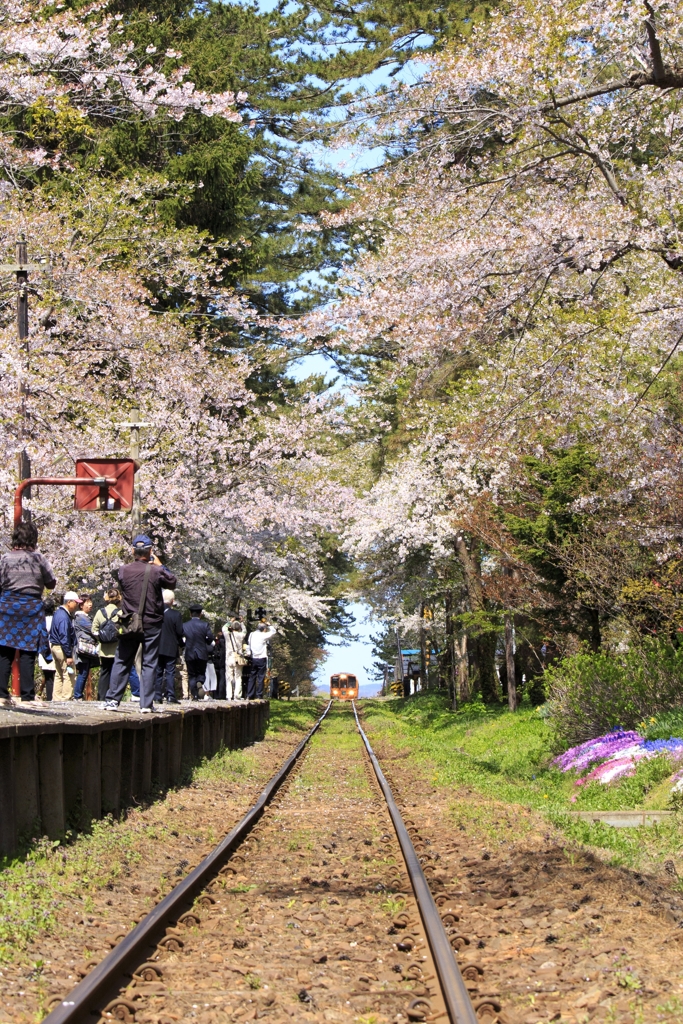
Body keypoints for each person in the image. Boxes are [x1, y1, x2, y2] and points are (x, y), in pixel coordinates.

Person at [104, 534, 177, 713]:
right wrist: (160, 565)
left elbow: (124, 584)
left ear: (132, 551)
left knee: (122, 659)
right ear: (151, 551)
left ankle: (112, 699)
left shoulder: (123, 570)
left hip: (130, 622)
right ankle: (146, 704)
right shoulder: (157, 571)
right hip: (152, 622)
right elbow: (172, 582)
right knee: (149, 662)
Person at [0, 521, 56, 705]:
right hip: (30, 608)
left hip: (7, 607)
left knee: (5, 650)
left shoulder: (5, 558)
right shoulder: (39, 559)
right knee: (27, 651)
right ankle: (27, 696)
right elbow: (51, 583)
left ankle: (1, 695)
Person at [49, 591, 82, 701]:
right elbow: (64, 636)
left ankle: (57, 698)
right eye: (75, 602)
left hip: (55, 646)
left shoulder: (58, 613)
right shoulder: (64, 616)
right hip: (62, 648)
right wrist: (68, 655)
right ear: (69, 602)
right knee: (69, 673)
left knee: (59, 674)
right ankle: (65, 699)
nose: (77, 605)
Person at [92, 588, 122, 701]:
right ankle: (113, 696)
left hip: (104, 649)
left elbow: (93, 629)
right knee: (116, 673)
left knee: (104, 672)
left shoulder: (100, 612)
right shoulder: (120, 613)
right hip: (117, 648)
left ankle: (101, 697)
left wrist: (101, 637)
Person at [156, 589, 184, 704]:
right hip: (170, 647)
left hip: (156, 646)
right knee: (170, 671)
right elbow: (180, 631)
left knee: (157, 671)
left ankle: (157, 696)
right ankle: (170, 696)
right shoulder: (176, 615)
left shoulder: (155, 613)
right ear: (172, 601)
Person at [183, 603, 215, 700]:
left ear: (190, 614)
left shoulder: (185, 625)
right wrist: (205, 641)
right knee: (201, 673)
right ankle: (199, 682)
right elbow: (210, 637)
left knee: (191, 674)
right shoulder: (204, 625)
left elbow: (180, 636)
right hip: (201, 652)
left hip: (189, 652)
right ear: (200, 614)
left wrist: (184, 644)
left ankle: (195, 695)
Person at [73, 594, 98, 700]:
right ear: (81, 605)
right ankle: (77, 695)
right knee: (83, 672)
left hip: (86, 648)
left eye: (90, 602)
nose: (90, 604)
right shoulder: (80, 617)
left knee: (84, 671)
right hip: (84, 648)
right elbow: (92, 629)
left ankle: (78, 695)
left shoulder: (84, 617)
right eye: (88, 602)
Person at [246, 620, 276, 700]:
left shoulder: (251, 634)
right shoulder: (263, 636)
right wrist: (269, 625)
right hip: (261, 658)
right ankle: (259, 695)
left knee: (252, 677)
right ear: (264, 629)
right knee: (260, 677)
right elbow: (273, 632)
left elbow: (248, 644)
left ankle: (250, 694)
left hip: (253, 658)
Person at [223, 616, 247, 700]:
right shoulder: (241, 635)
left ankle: (228, 695)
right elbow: (245, 630)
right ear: (239, 628)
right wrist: (242, 622)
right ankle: (237, 695)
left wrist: (230, 621)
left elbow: (224, 628)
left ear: (231, 627)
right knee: (238, 676)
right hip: (237, 658)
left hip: (229, 657)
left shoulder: (227, 635)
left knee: (229, 677)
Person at [38, 596, 56, 700]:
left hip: (44, 647)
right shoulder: (55, 619)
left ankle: (50, 698)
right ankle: (53, 697)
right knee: (55, 675)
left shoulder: (41, 620)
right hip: (53, 646)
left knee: (48, 676)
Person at [213, 628, 226, 700]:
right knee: (222, 678)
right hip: (222, 662)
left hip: (215, 661)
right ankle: (221, 694)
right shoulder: (224, 642)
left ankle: (215, 694)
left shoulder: (215, 642)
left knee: (216, 678)